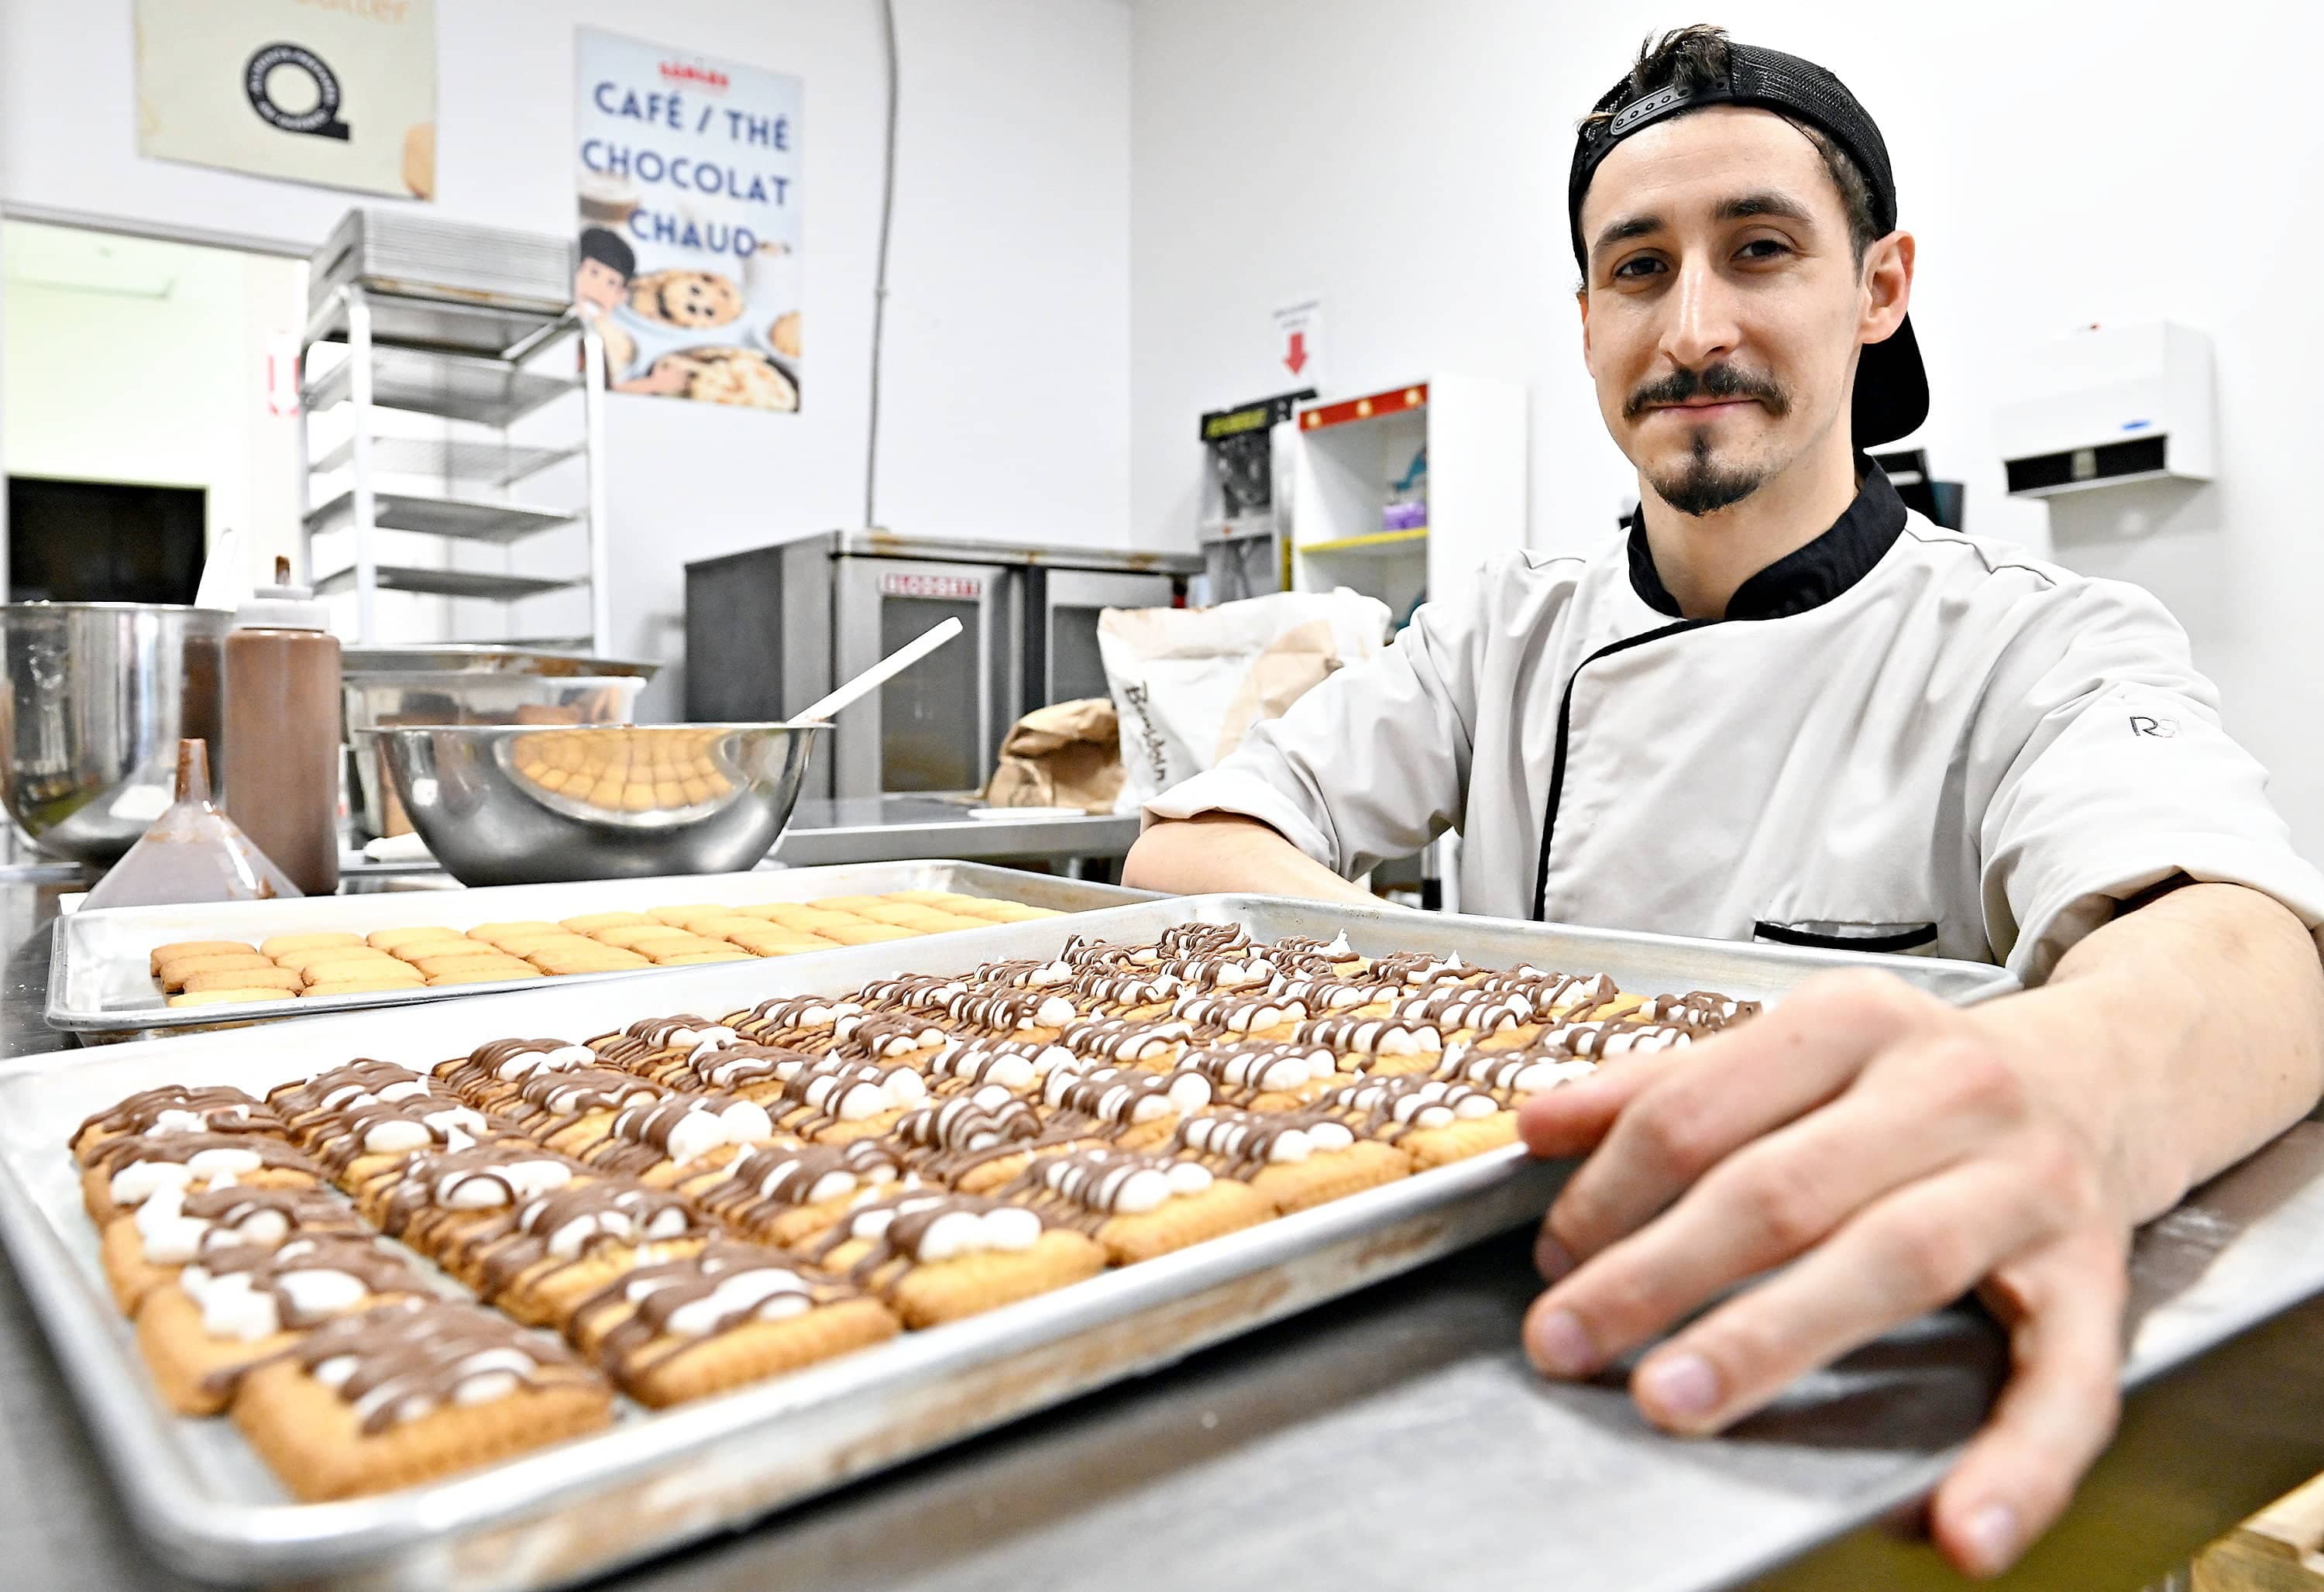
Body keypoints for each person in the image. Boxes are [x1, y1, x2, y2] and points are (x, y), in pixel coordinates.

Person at [1123, 25, 2324, 1580]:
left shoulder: (2034, 635)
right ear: (1585, 320)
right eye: (1638, 269)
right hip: (1519, 1364)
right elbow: (1194, 844)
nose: (1694, 327)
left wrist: (2079, 1088)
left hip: (1862, 1404)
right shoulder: (1507, 632)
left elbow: (2236, 938)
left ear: (1879, 287)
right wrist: (1456, 1009)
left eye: (1759, 250)